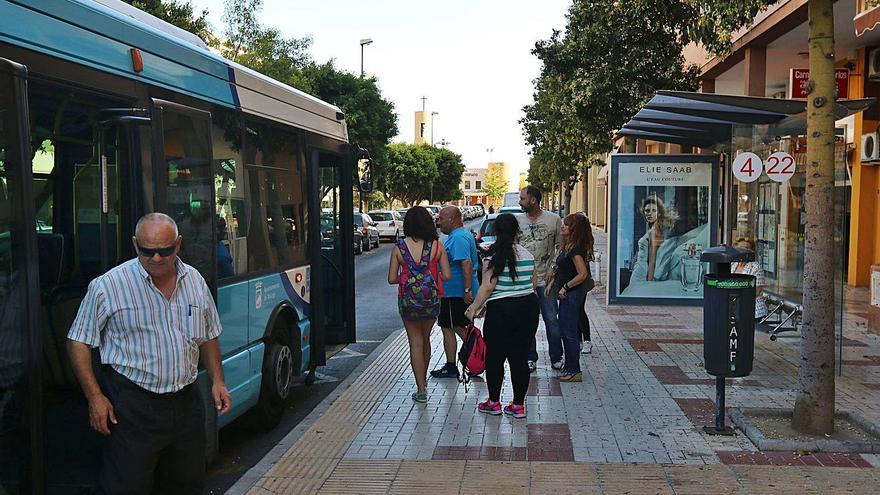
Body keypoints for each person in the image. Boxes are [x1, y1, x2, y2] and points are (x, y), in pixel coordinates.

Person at [66, 213, 232, 495]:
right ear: (135, 245)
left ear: (178, 244)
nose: (156, 258)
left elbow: (208, 335)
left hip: (185, 403)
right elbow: (78, 341)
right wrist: (95, 397)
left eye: (164, 251)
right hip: (132, 407)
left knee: (186, 485)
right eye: (147, 251)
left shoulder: (194, 281)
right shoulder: (109, 286)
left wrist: (217, 380)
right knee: (127, 487)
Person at [465, 213, 538, 418]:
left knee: (495, 358)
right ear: (517, 232)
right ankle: (518, 406)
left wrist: (473, 309)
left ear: (496, 231)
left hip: (501, 311)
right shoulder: (527, 255)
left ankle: (494, 402)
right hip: (527, 308)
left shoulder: (492, 257)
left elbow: (488, 286)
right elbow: (532, 284)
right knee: (519, 357)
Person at [388, 206, 451, 403]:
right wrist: (429, 278)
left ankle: (421, 389)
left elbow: (391, 278)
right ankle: (424, 380)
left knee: (415, 342)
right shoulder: (437, 246)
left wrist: (408, 278)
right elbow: (447, 275)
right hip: (431, 300)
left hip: (408, 302)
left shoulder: (399, 247)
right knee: (426, 339)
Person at [517, 186, 562, 372]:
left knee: (552, 319)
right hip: (525, 281)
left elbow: (560, 247)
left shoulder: (554, 220)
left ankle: (556, 357)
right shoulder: (517, 221)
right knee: (527, 321)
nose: (520, 202)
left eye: (522, 198)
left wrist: (554, 268)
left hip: (547, 281)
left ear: (533, 200)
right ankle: (530, 357)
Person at [431, 206, 479, 379]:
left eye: (442, 219)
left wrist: (466, 290)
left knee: (458, 327)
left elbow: (466, 264)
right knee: (448, 327)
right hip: (452, 292)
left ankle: (476, 358)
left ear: (452, 219)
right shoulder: (457, 236)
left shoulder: (458, 238)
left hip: (456, 293)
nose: (439, 222)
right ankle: (452, 365)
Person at [547, 214, 594, 381]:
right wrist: (552, 283)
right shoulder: (569, 246)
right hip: (568, 293)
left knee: (569, 332)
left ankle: (574, 369)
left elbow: (582, 274)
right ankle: (570, 367)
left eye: (566, 225)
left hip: (573, 294)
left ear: (573, 229)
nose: (562, 227)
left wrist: (566, 287)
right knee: (566, 329)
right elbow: (563, 269)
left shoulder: (575, 250)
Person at [732, 238, 768, 320]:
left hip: (753, 310)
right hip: (735, 307)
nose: (744, 250)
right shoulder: (733, 264)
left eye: (747, 248)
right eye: (741, 247)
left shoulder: (756, 267)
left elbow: (757, 291)